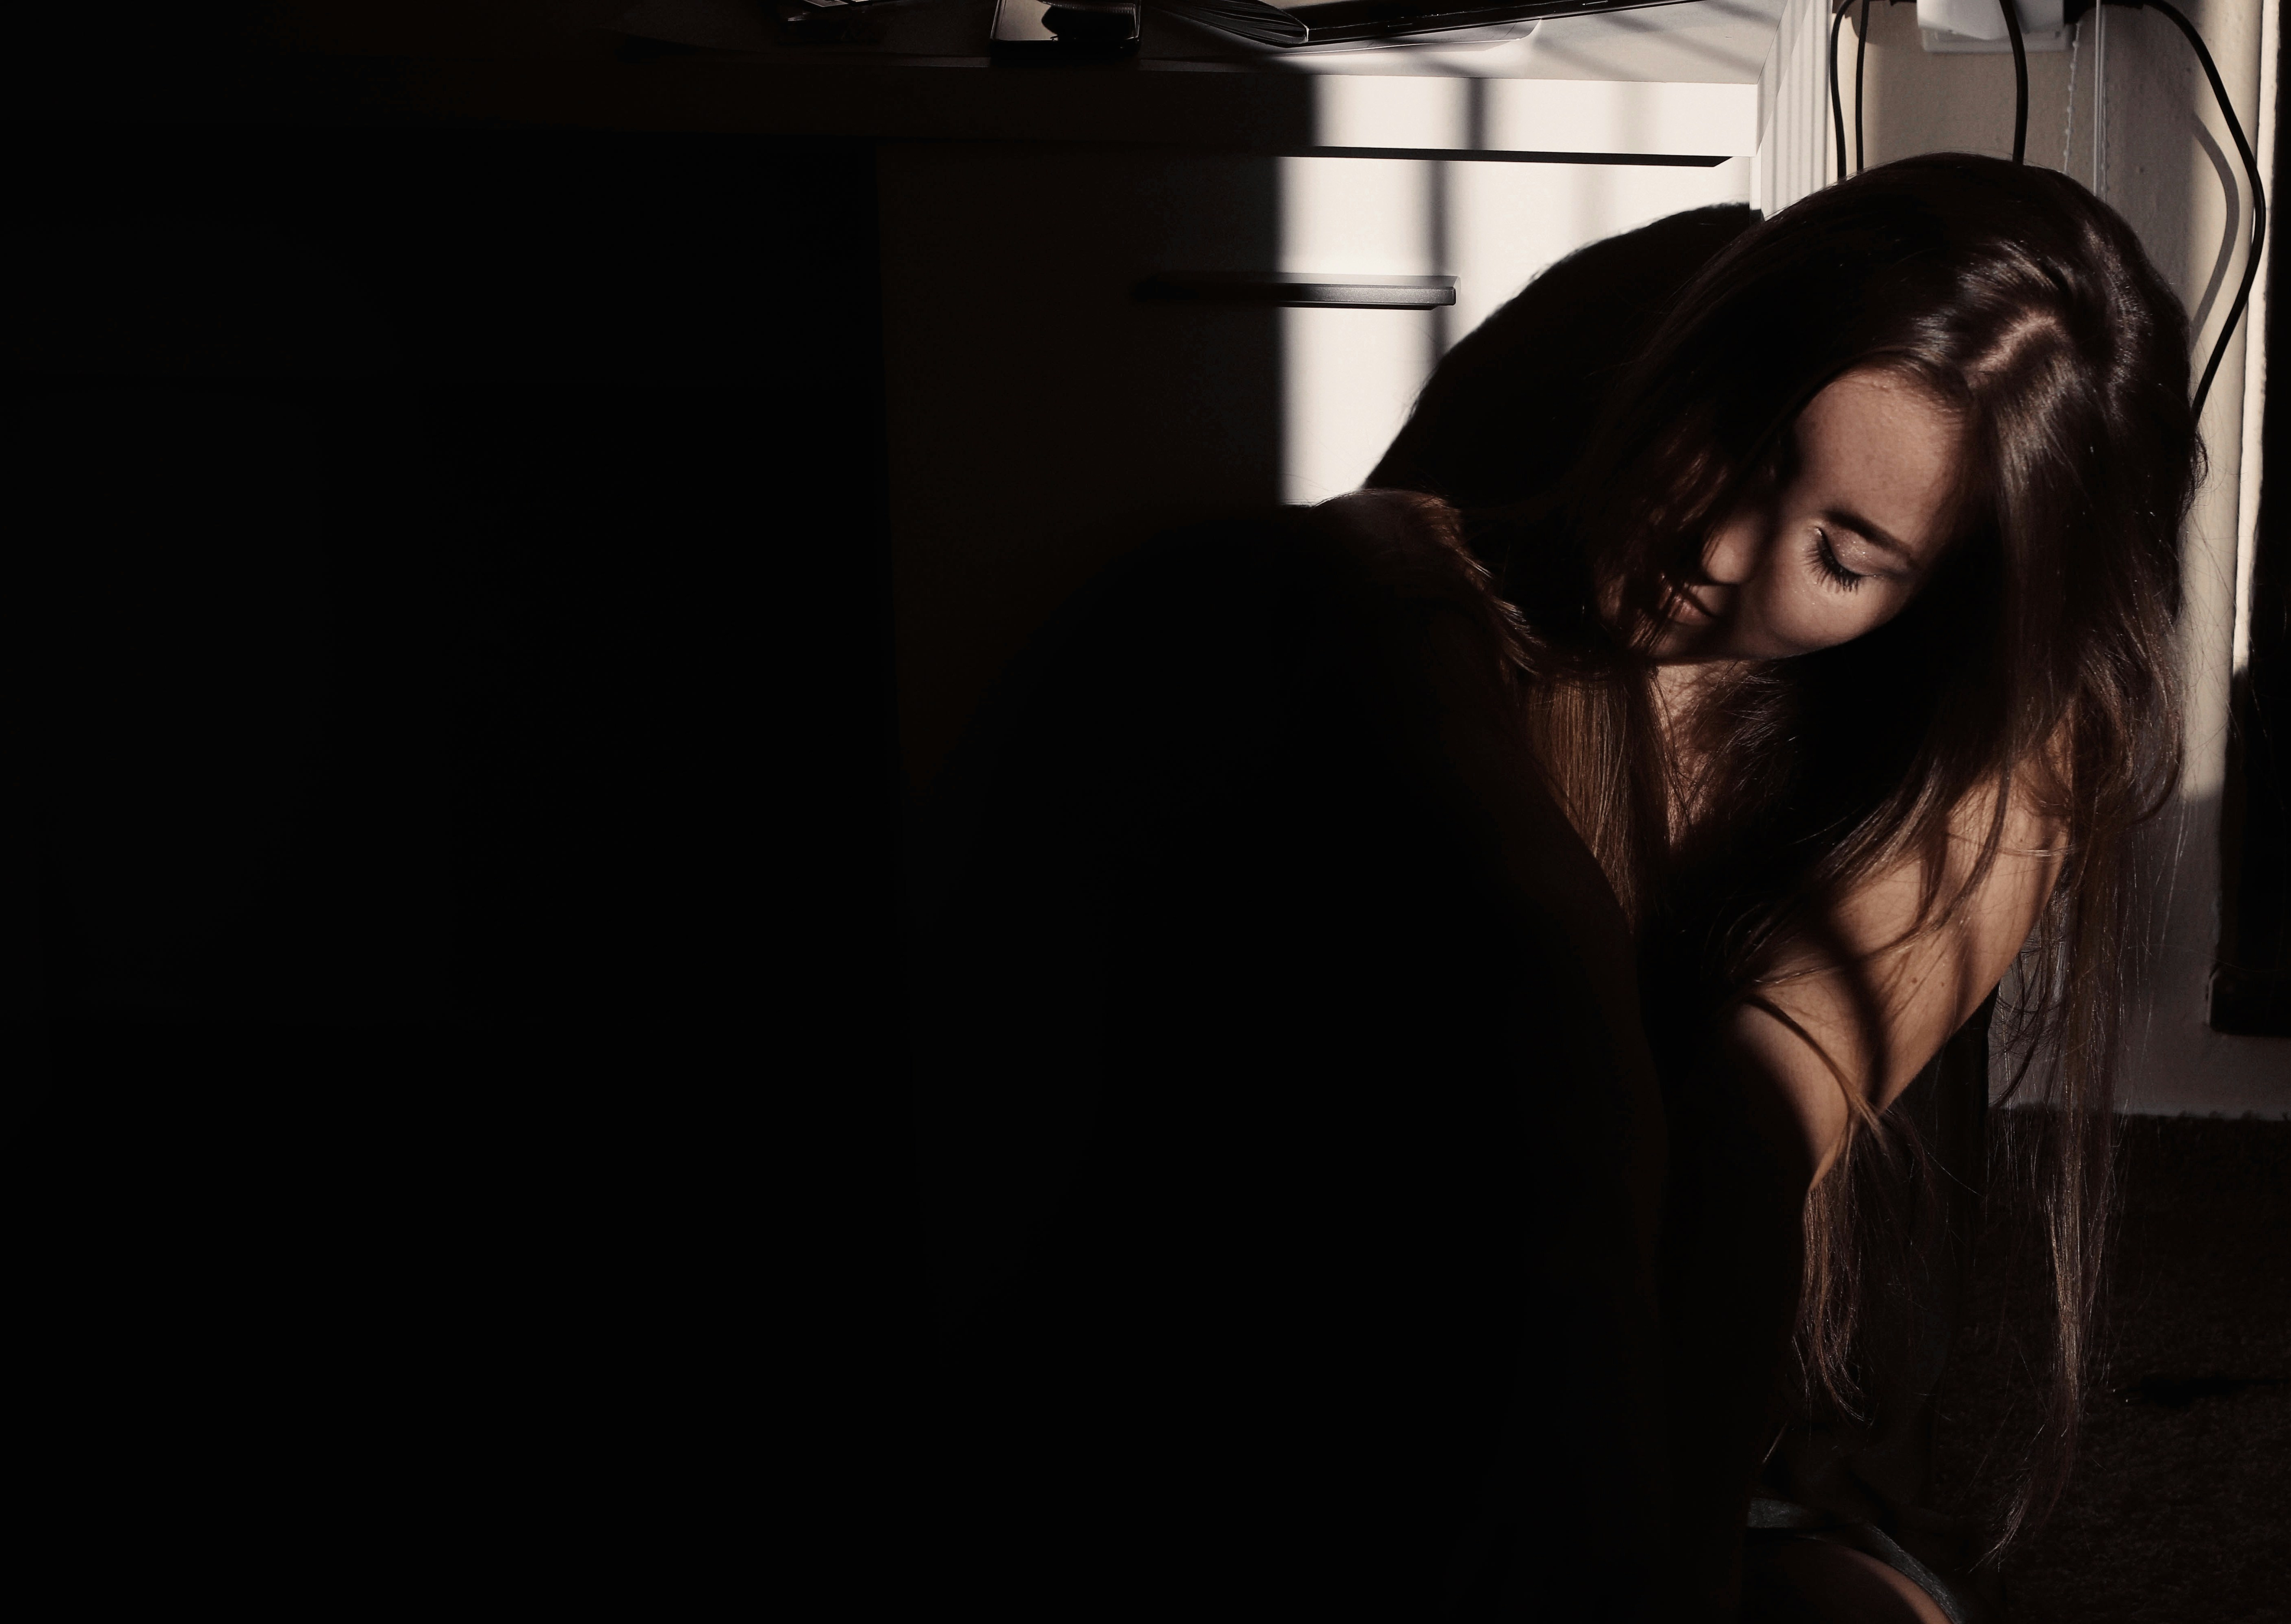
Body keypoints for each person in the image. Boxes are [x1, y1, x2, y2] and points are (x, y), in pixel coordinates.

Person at [905, 154, 2196, 1622]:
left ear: (1936, 608)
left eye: (1843, 557)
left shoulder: (1995, 747)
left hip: (1745, 1442)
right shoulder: (1399, 589)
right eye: (1741, 442)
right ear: (1702, 353)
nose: (1720, 549)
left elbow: (1734, 1169)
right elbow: (1541, 1067)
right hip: (1372, 1362)